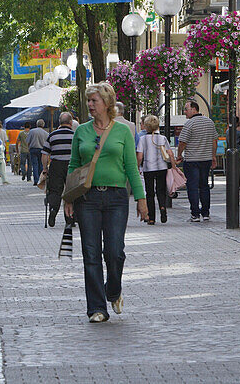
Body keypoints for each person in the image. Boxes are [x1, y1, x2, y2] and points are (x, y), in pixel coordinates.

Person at [64, 83, 147, 322]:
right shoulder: (81, 131)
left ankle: (113, 290)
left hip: (116, 197)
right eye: (88, 101)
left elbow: (132, 167)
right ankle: (97, 308)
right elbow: (74, 165)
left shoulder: (122, 132)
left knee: (114, 251)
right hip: (87, 199)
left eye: (94, 101)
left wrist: (141, 199)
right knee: (90, 253)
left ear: (107, 103)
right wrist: (68, 198)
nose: (90, 105)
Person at [175, 100, 219, 222]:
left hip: (192, 160)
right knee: (204, 186)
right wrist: (213, 156)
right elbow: (214, 140)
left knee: (193, 187)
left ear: (194, 109)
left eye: (186, 109)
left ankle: (195, 214)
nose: (184, 112)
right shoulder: (209, 122)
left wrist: (179, 155)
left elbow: (182, 142)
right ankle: (205, 212)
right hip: (206, 159)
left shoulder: (189, 124)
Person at [136, 116, 174, 224]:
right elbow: (169, 153)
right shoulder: (162, 138)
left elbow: (140, 156)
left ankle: (151, 218)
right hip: (161, 167)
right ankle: (162, 207)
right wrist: (173, 165)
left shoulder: (142, 139)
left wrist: (138, 166)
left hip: (148, 168)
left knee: (150, 192)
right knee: (161, 190)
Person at [43, 112, 75, 227]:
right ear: (71, 122)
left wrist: (45, 168)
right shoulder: (74, 135)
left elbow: (45, 154)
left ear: (59, 122)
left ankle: (53, 210)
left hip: (56, 165)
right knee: (71, 191)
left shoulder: (52, 135)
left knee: (55, 190)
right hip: (71, 165)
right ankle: (70, 217)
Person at [26, 119, 49, 185]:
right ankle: (41, 180)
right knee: (41, 165)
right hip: (42, 150)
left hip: (33, 149)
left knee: (34, 165)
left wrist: (29, 148)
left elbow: (28, 141)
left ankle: (36, 180)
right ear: (43, 125)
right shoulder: (46, 133)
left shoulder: (32, 131)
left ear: (37, 124)